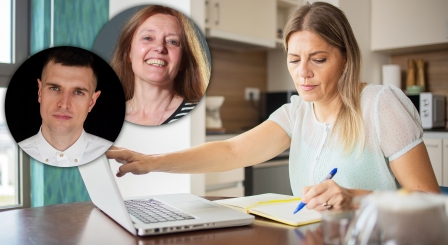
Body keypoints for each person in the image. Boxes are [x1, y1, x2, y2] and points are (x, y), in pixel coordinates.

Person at [106, 2, 440, 210]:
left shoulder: (380, 105)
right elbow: (233, 151)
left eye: (318, 59)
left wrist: (357, 199)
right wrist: (152, 162)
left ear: (346, 58)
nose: (302, 72)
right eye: (294, 60)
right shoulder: (296, 113)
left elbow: (429, 200)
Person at [111, 5, 210, 126]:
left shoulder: (198, 118)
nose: (159, 47)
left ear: (182, 62)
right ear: (128, 53)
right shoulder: (106, 116)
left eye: (172, 41)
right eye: (148, 38)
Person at [19, 47, 113, 167]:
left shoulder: (114, 160)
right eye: (54, 88)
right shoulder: (15, 157)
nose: (64, 104)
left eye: (78, 92)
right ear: (40, 92)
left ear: (92, 102)